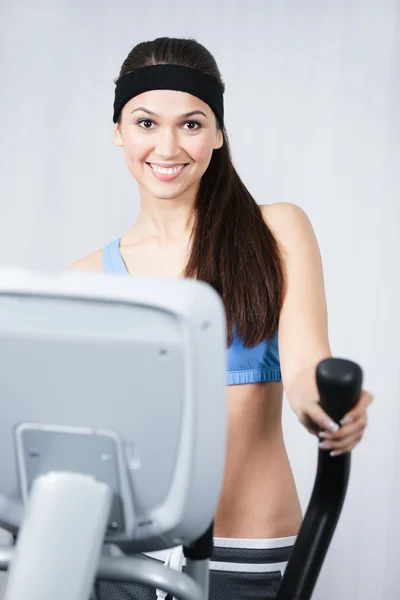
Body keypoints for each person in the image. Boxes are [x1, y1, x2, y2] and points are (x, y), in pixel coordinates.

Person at [70, 36, 373, 600]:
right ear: (118, 131)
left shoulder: (276, 229)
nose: (167, 145)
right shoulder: (86, 278)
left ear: (218, 133)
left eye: (191, 124)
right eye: (145, 122)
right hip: (123, 560)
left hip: (246, 554)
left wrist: (330, 408)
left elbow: (307, 364)